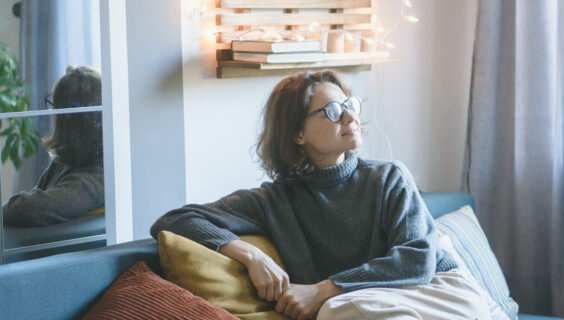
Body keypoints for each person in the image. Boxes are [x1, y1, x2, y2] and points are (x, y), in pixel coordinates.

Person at [150, 70, 490, 320]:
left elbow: (417, 260)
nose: (351, 117)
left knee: (335, 310)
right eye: (333, 111)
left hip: (439, 292)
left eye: (350, 105)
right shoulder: (274, 201)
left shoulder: (389, 176)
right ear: (297, 132)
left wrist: (323, 289)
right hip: (370, 307)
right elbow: (175, 220)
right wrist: (252, 256)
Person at [3, 66, 104, 227]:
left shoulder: (97, 179)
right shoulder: (65, 161)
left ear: (69, 119)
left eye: (54, 107)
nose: (52, 114)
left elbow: (24, 209)